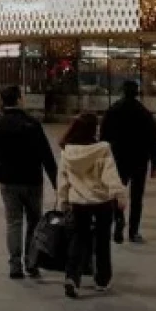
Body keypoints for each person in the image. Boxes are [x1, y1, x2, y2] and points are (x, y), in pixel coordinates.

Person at [0, 85, 58, 280]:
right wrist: (56, 182)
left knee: (14, 222)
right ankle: (31, 263)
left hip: (8, 181)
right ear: (19, 100)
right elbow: (46, 155)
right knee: (34, 221)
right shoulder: (32, 124)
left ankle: (15, 265)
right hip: (32, 180)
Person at [56, 113, 127, 298]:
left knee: (78, 239)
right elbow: (110, 175)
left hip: (78, 202)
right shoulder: (103, 149)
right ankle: (102, 280)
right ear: (93, 128)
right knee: (102, 241)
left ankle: (72, 277)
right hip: (101, 201)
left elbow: (63, 179)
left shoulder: (67, 152)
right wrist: (119, 196)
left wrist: (62, 201)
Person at [100, 80, 156, 244]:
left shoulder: (113, 110)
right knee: (137, 197)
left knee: (117, 192)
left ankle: (119, 218)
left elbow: (103, 136)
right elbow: (153, 139)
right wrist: (155, 163)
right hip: (140, 159)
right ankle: (134, 232)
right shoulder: (144, 113)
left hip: (118, 158)